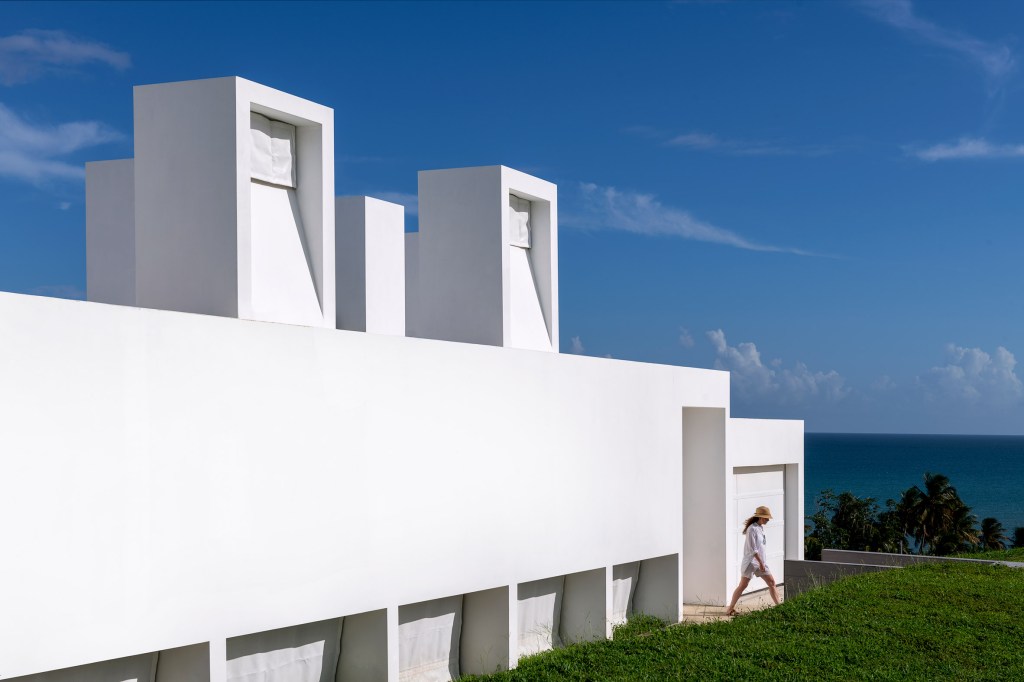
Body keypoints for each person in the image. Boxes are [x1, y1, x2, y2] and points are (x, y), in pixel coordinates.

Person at [724, 505, 780, 616]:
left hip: (761, 562)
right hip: (751, 563)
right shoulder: (752, 529)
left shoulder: (760, 528)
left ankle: (779, 607)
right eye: (766, 518)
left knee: (772, 583)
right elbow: (753, 549)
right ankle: (730, 609)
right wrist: (760, 562)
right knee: (743, 585)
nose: (768, 520)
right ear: (760, 517)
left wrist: (762, 562)